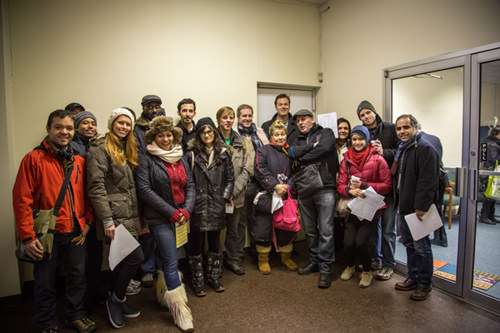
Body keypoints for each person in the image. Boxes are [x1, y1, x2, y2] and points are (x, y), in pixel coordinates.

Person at [13, 109, 96, 333]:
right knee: (45, 282)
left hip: (76, 231)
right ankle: (46, 322)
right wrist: (28, 238)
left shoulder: (79, 161)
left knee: (78, 277)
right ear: (48, 129)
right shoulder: (33, 159)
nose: (64, 132)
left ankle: (75, 316)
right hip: (45, 235)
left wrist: (87, 222)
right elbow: (22, 200)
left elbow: (87, 194)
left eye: (69, 128)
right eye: (59, 127)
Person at [135, 116, 195, 332]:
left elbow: (191, 186)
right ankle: (181, 312)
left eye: (169, 134)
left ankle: (163, 294)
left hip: (181, 216)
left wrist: (186, 210)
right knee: (171, 262)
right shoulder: (147, 158)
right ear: (154, 137)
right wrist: (172, 212)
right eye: (161, 135)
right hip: (160, 218)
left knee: (170, 258)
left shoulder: (181, 156)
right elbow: (144, 190)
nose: (166, 138)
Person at [87, 108, 143, 328]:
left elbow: (130, 187)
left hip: (129, 214)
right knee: (135, 258)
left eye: (128, 124)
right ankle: (115, 300)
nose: (124, 127)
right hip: (113, 216)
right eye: (120, 123)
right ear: (112, 124)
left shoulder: (126, 147)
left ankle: (118, 297)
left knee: (121, 261)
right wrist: (107, 220)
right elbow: (96, 187)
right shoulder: (100, 149)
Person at [288, 109, 339, 289]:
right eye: (298, 121)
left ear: (312, 119)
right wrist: (309, 149)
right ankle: (314, 261)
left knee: (326, 230)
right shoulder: (295, 138)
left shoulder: (326, 133)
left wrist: (302, 157)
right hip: (304, 189)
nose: (301, 123)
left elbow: (324, 148)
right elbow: (292, 153)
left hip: (325, 187)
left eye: (304, 119)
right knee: (309, 230)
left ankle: (325, 268)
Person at [337, 126, 392, 288]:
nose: (357, 142)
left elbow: (387, 185)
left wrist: (365, 186)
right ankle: (350, 266)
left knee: (362, 242)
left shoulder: (378, 159)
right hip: (353, 207)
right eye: (354, 139)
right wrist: (350, 190)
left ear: (367, 140)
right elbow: (340, 185)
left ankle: (367, 271)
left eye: (361, 139)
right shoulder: (346, 159)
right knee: (347, 242)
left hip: (370, 208)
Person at [186, 117, 234, 295]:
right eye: (203, 132)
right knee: (196, 244)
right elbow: (187, 181)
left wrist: (224, 197)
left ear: (214, 132)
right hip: (197, 205)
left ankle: (214, 277)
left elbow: (230, 179)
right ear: (198, 135)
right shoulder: (190, 154)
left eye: (210, 131)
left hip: (216, 204)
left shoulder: (223, 152)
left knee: (215, 243)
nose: (207, 135)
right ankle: (197, 280)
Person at [393, 114, 439, 301]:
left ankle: (424, 284)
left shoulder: (425, 148)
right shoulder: (403, 148)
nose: (402, 131)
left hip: (419, 209)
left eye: (406, 127)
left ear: (415, 127)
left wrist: (421, 207)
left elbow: (428, 181)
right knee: (409, 244)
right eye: (399, 128)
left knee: (422, 248)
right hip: (403, 206)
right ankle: (412, 277)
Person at [356, 100, 398, 280]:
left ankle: (389, 264)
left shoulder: (390, 128)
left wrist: (384, 152)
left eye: (367, 113)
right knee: (373, 228)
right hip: (370, 189)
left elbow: (401, 152)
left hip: (387, 188)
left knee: (388, 229)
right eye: (362, 115)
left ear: (374, 112)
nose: (366, 117)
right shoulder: (362, 132)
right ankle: (376, 260)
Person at [253, 120, 299, 274]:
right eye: (276, 134)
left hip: (285, 195)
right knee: (263, 227)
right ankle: (263, 260)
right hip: (267, 194)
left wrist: (288, 186)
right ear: (271, 136)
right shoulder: (263, 151)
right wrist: (274, 185)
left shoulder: (289, 153)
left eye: (282, 134)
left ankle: (286, 257)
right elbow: (260, 169)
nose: (280, 137)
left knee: (286, 226)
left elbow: (295, 173)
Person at [217, 106, 255, 275]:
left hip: (236, 195)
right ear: (218, 119)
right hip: (216, 195)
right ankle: (215, 262)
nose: (228, 120)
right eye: (225, 117)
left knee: (235, 229)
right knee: (214, 231)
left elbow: (248, 168)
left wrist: (234, 190)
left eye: (231, 117)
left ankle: (234, 259)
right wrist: (222, 192)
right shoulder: (210, 138)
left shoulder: (243, 141)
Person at [237, 104, 269, 261]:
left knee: (257, 218)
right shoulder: (235, 134)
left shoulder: (259, 132)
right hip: (242, 182)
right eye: (244, 116)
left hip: (259, 182)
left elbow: (268, 150)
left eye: (249, 115)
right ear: (238, 117)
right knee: (240, 220)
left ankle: (258, 250)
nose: (247, 118)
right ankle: (239, 254)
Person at [334, 117, 351, 252]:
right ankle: (337, 252)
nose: (343, 131)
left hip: (347, 187)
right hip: (332, 187)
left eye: (346, 128)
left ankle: (347, 253)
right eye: (340, 128)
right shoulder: (329, 145)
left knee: (347, 219)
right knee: (334, 220)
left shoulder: (352, 145)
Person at [479, 126, 500, 224]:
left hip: (485, 171)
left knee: (491, 194)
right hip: (490, 172)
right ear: (496, 134)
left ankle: (490, 216)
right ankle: (484, 216)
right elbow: (495, 159)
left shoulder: (484, 141)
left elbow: (482, 159)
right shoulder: (492, 144)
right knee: (489, 195)